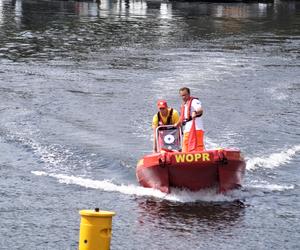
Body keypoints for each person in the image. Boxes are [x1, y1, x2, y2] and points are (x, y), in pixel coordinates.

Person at [178, 87, 205, 152]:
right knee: (185, 149)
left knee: (198, 148)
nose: (183, 97)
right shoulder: (184, 105)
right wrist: (176, 125)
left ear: (189, 94)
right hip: (187, 130)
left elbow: (200, 110)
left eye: (185, 95)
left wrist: (195, 112)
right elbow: (182, 119)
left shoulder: (194, 101)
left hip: (196, 129)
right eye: (182, 96)